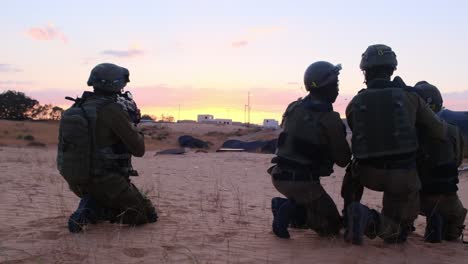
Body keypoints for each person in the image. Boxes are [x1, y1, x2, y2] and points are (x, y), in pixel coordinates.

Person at [343, 44, 446, 245]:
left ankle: (349, 214)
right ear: (392, 69)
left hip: (366, 174)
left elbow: (358, 132)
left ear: (365, 71)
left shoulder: (355, 102)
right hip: (402, 175)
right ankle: (370, 219)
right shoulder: (411, 97)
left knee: (352, 170)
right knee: (397, 233)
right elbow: (440, 132)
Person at [57, 63, 157, 232]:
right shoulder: (111, 110)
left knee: (144, 210)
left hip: (77, 180)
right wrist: (132, 124)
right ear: (116, 85)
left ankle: (93, 201)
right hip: (106, 179)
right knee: (144, 216)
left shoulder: (77, 107)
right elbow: (139, 150)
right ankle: (92, 210)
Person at [268, 61, 351, 238]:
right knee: (331, 227)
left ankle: (285, 206)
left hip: (279, 175)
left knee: (319, 211)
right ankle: (292, 210)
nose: (337, 90)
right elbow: (343, 160)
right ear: (325, 87)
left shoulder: (293, 107)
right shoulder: (329, 119)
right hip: (303, 183)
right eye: (335, 84)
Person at [413, 81, 467, 243]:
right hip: (447, 196)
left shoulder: (409, 130)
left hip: (417, 198)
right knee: (453, 229)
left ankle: (431, 221)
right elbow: (456, 161)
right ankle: (440, 225)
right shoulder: (452, 130)